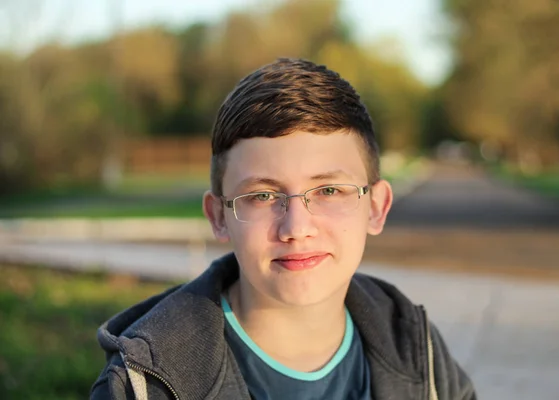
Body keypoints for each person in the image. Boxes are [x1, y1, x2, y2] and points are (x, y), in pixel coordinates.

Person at [90, 58, 476, 400]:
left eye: (328, 190)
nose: (296, 228)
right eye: (261, 196)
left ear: (376, 207)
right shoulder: (148, 384)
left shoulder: (417, 351)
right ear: (218, 216)